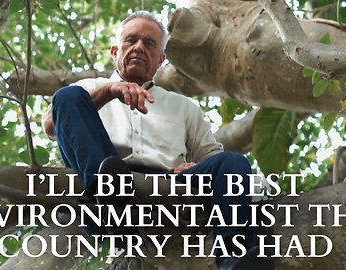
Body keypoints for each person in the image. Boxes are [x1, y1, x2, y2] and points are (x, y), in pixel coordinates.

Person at [43, 10, 273, 270]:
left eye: (149, 43)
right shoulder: (88, 88)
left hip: (168, 182)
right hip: (105, 176)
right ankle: (111, 205)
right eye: (131, 40)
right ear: (115, 51)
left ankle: (235, 259)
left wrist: (195, 165)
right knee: (66, 97)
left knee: (232, 164)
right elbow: (52, 126)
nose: (139, 47)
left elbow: (211, 156)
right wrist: (109, 91)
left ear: (160, 59)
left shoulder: (183, 106)